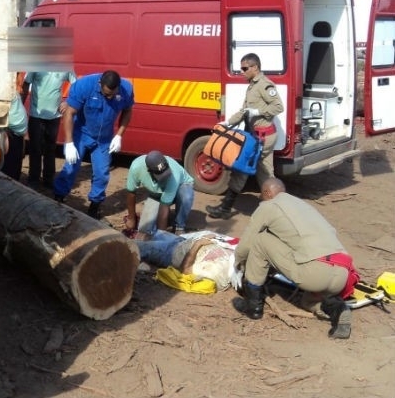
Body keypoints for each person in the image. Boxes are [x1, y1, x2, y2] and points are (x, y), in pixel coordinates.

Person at [232, 177, 357, 339]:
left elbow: (246, 245)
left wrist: (237, 263)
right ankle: (338, 310)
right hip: (341, 274)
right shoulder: (302, 205)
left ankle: (253, 306)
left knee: (260, 240)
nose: (261, 200)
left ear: (267, 193)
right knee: (307, 301)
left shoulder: (269, 206)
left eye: (261, 197)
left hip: (315, 273)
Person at [206, 53, 284, 219]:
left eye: (245, 68)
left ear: (255, 67)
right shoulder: (252, 86)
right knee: (265, 174)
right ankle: (276, 210)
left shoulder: (264, 85)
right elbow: (243, 111)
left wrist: (259, 111)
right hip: (257, 137)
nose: (242, 71)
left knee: (241, 169)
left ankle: (226, 208)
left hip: (263, 137)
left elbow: (278, 106)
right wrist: (228, 123)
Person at [53, 70, 134, 219]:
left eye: (112, 94)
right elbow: (69, 113)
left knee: (102, 173)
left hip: (103, 138)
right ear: (100, 84)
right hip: (81, 133)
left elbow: (128, 111)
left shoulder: (126, 89)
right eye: (106, 94)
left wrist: (119, 135)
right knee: (71, 167)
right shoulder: (84, 85)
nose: (109, 97)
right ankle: (58, 197)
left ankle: (95, 206)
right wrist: (70, 142)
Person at [21, 70, 77, 189]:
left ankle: (48, 180)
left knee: (50, 149)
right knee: (35, 148)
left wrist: (68, 101)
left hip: (54, 116)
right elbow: (26, 84)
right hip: (36, 114)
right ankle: (34, 180)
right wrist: (20, 106)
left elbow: (76, 85)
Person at [124, 150, 195, 236]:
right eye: (160, 174)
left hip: (180, 188)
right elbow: (131, 192)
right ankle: (165, 218)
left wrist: (162, 235)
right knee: (145, 229)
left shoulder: (174, 175)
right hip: (157, 194)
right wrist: (132, 218)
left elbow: (164, 205)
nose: (164, 176)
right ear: (149, 170)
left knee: (186, 196)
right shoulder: (136, 167)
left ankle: (179, 226)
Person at [1, 92, 28, 181]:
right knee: (8, 168)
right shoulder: (0, 91)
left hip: (17, 134)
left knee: (16, 164)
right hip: (8, 131)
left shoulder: (12, 90)